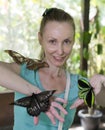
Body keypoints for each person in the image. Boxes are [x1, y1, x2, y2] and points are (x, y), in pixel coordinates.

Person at [0, 8, 100, 130]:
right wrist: (37, 95)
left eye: (66, 41)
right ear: (40, 39)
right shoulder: (25, 72)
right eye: (52, 41)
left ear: (73, 41)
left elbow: (103, 99)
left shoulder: (77, 83)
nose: (60, 51)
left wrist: (101, 82)